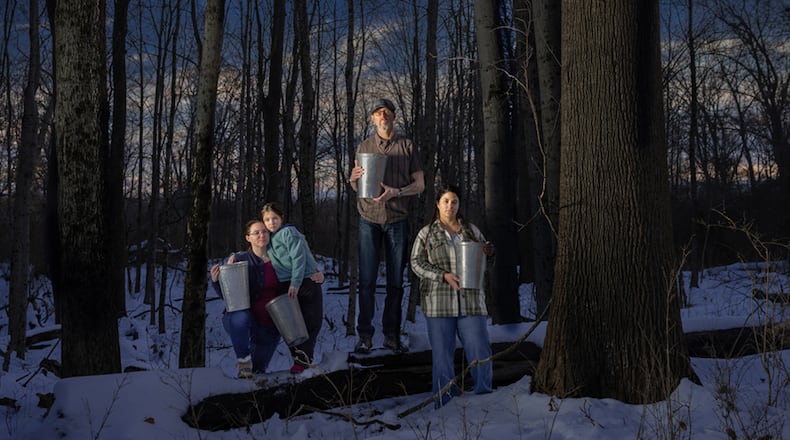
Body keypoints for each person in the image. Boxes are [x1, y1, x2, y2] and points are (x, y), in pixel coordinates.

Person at [348, 97, 425, 354]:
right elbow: (358, 186)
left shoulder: (407, 146)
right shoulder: (364, 146)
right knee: (367, 281)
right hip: (368, 218)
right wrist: (352, 180)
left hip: (397, 218)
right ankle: (365, 336)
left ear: (394, 116)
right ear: (372, 118)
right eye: (378, 113)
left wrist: (398, 192)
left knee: (395, 282)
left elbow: (420, 185)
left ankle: (391, 336)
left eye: (387, 112)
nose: (383, 116)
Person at [409, 183, 495, 408]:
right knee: (442, 356)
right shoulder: (426, 233)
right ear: (438, 204)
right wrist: (442, 275)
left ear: (459, 204)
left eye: (454, 201)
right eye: (446, 201)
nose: (450, 205)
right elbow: (416, 263)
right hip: (438, 303)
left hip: (471, 303)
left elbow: (485, 262)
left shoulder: (471, 231)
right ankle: (444, 401)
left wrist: (488, 253)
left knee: (479, 349)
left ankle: (486, 397)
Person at [209, 220, 324, 378]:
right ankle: (243, 363)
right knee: (239, 316)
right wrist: (216, 282)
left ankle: (252, 391)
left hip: (269, 326)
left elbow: (304, 272)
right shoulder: (240, 260)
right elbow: (231, 298)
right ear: (248, 238)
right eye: (256, 232)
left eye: (264, 231)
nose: (261, 235)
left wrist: (318, 276)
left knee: (258, 373)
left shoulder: (283, 260)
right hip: (244, 321)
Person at [260, 202, 324, 374]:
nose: (271, 222)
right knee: (291, 326)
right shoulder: (268, 238)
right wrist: (233, 256)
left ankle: (303, 361)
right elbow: (251, 250)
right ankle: (300, 360)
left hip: (305, 281)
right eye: (267, 220)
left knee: (312, 321)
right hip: (285, 285)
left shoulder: (288, 232)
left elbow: (299, 258)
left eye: (274, 218)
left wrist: (296, 283)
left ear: (281, 218)